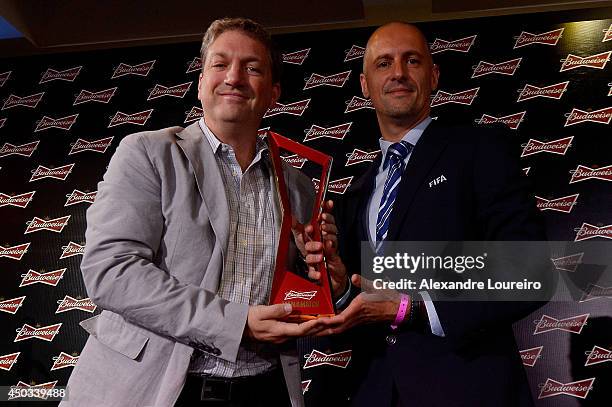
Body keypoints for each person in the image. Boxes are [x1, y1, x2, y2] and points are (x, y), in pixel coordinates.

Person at [61, 17, 331, 407]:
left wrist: (327, 280)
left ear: (273, 94)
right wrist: (235, 325)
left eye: (252, 68)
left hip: (265, 387)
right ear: (201, 82)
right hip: (157, 388)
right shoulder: (147, 153)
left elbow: (300, 294)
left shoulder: (299, 186)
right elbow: (112, 270)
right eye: (220, 64)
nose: (234, 77)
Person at [306, 22, 547, 406]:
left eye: (412, 60)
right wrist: (341, 289)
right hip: (377, 393)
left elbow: (530, 270)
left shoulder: (480, 149)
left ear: (433, 76)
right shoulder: (357, 192)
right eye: (384, 63)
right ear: (365, 85)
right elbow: (368, 301)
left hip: (469, 391)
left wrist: (413, 308)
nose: (398, 73)